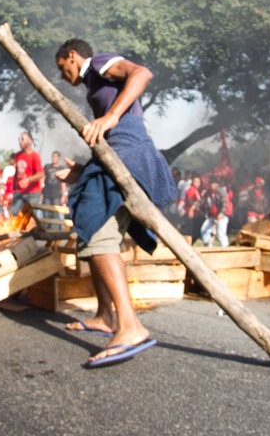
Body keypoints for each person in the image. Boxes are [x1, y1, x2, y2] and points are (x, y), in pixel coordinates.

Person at [55, 38, 175, 367]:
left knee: (95, 225)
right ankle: (106, 316)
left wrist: (110, 117)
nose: (63, 75)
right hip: (116, 154)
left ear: (72, 55)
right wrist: (82, 171)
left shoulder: (98, 63)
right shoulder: (94, 80)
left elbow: (142, 73)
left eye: (61, 67)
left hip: (130, 150)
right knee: (94, 221)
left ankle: (130, 327)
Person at [9, 131, 44, 216]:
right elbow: (17, 172)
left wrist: (28, 180)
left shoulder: (35, 156)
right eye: (19, 139)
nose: (20, 141)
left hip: (33, 193)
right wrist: (14, 187)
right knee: (12, 214)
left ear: (29, 141)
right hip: (19, 192)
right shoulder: (17, 155)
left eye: (22, 139)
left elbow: (40, 174)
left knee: (30, 217)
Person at [200, 177, 230, 247]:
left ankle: (225, 249)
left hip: (222, 216)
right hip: (211, 216)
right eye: (211, 183)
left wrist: (222, 213)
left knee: (221, 234)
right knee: (204, 230)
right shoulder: (208, 192)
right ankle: (208, 247)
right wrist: (194, 206)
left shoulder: (221, 191)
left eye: (213, 183)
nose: (211, 185)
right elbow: (202, 200)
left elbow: (225, 203)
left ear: (217, 184)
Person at [41, 151, 67, 220]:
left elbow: (63, 183)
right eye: (53, 156)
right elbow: (43, 179)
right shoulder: (47, 167)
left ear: (58, 158)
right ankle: (45, 229)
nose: (53, 158)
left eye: (55, 156)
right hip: (46, 194)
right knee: (45, 213)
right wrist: (41, 192)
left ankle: (54, 230)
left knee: (56, 214)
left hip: (57, 195)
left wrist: (63, 196)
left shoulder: (62, 168)